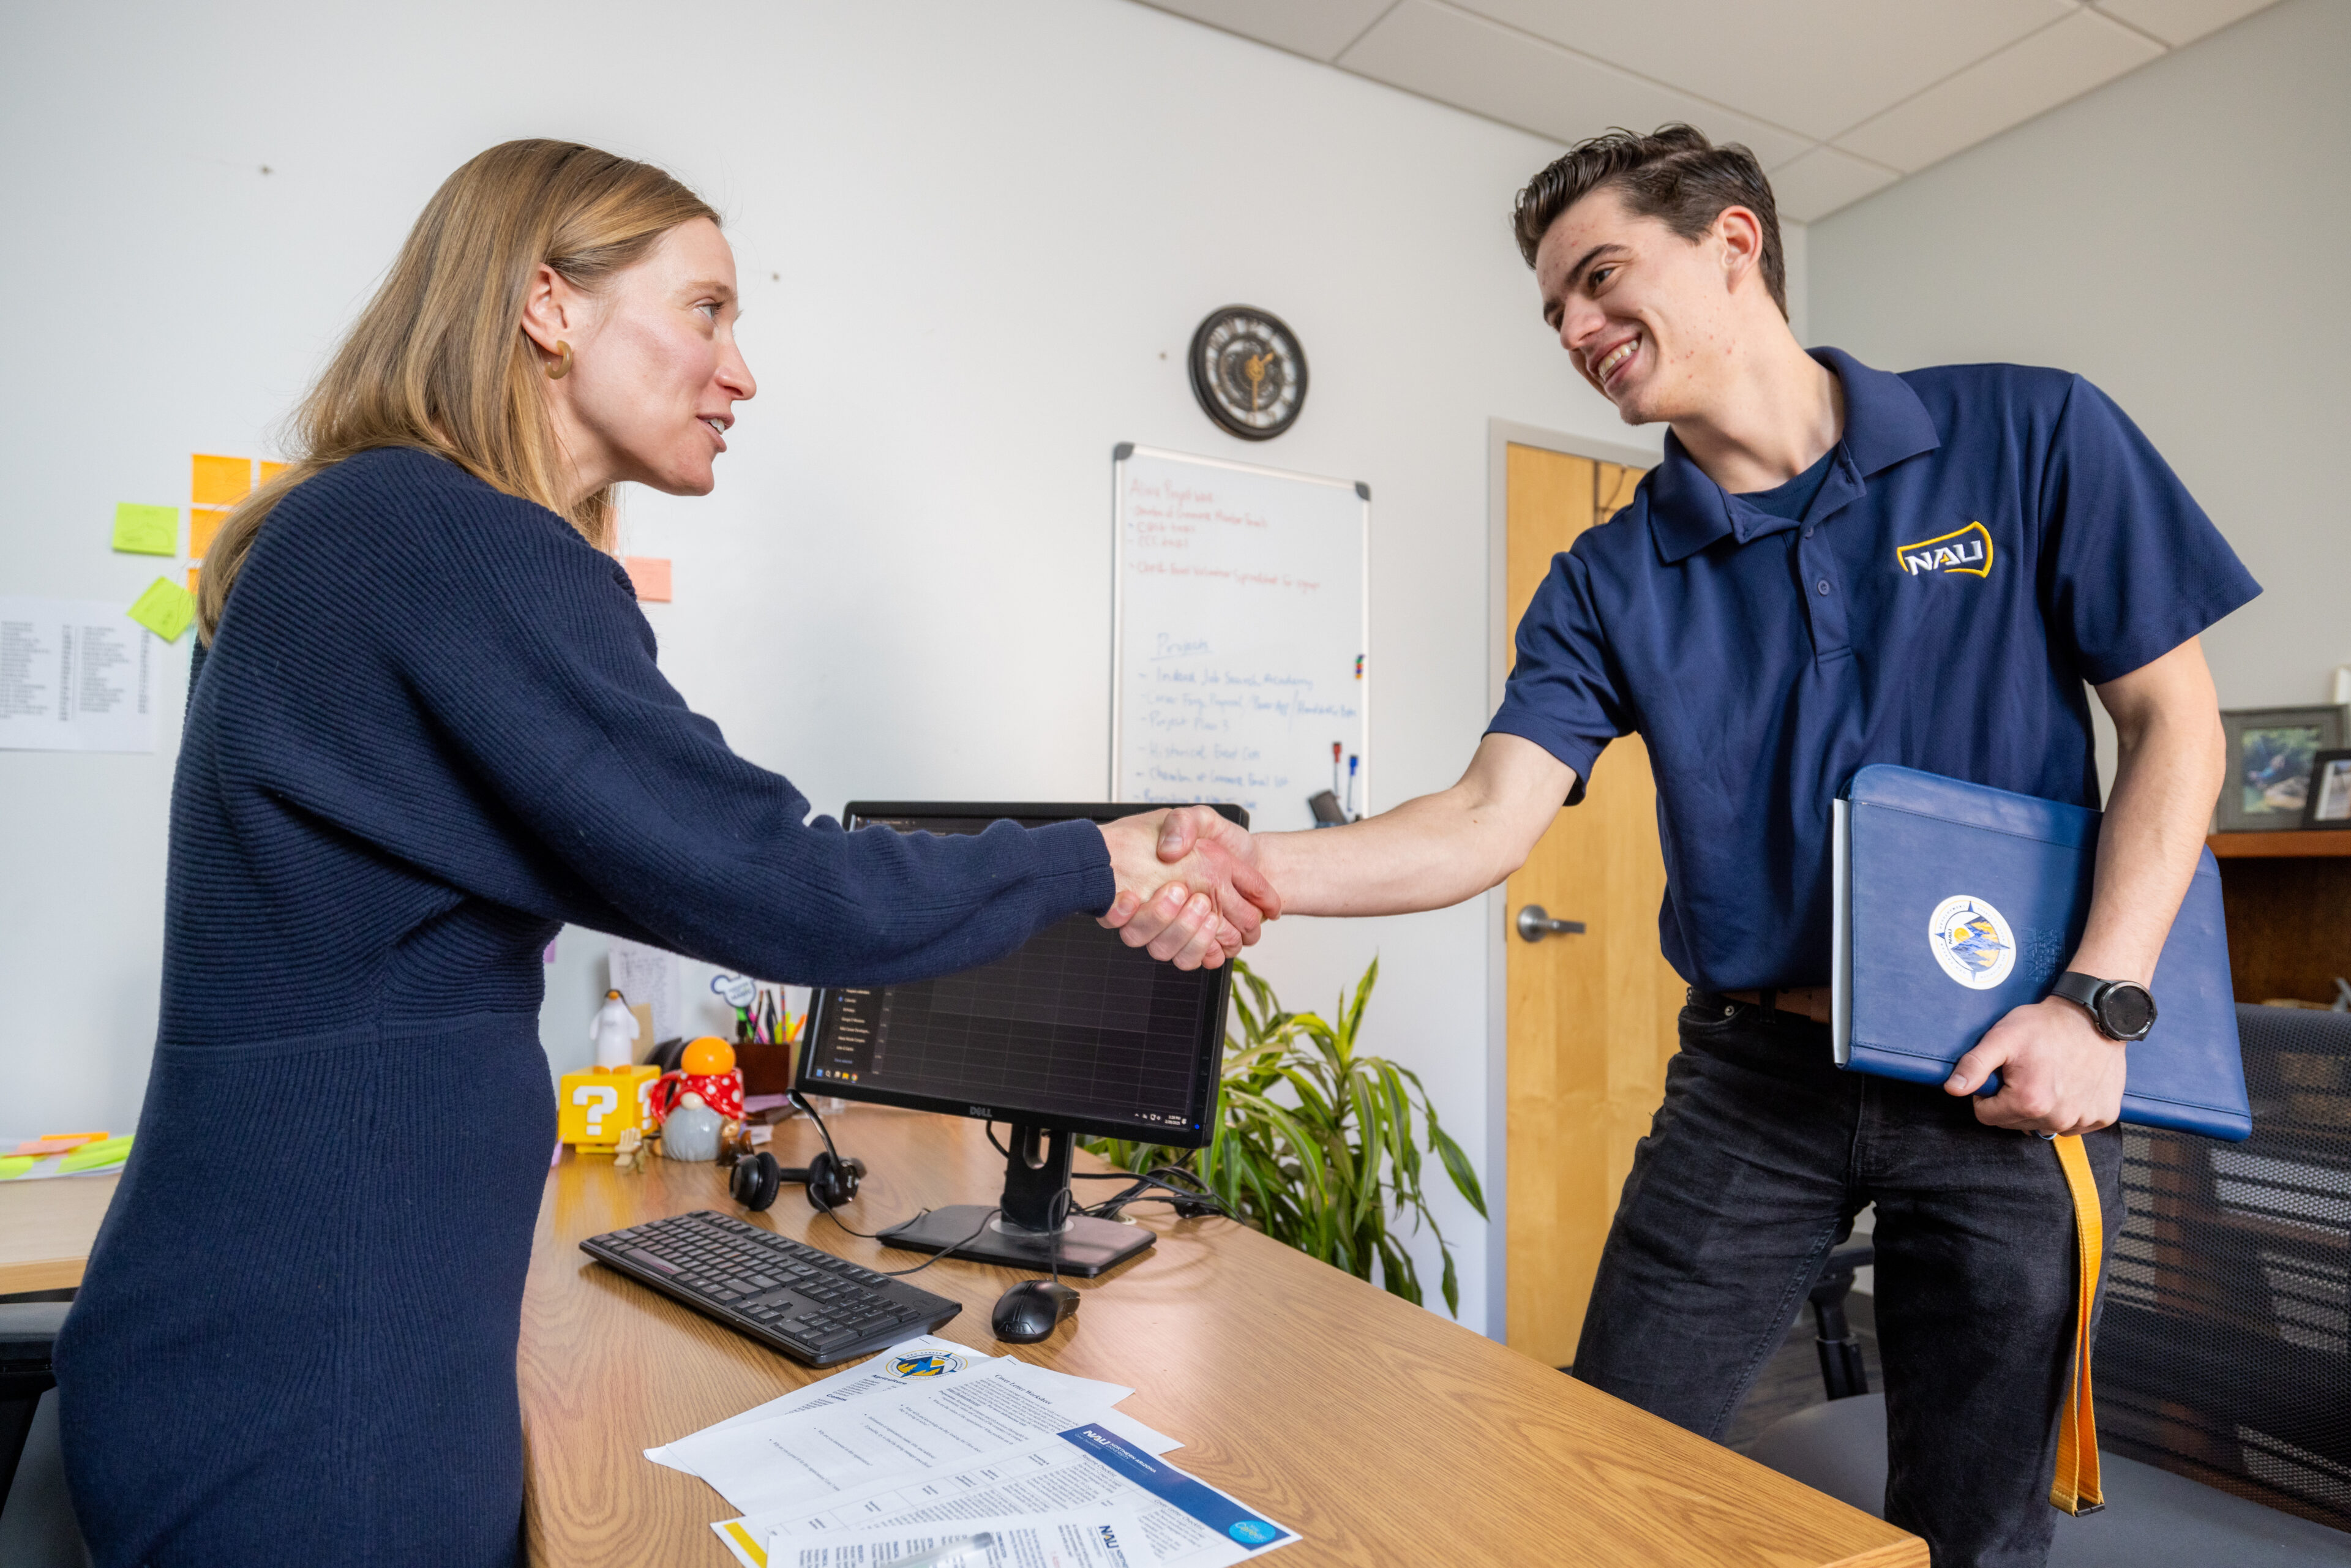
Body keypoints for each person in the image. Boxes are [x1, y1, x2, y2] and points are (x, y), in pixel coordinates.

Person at [54, 140, 1273, 1567]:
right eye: (706, 310)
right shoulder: (442, 538)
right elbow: (784, 884)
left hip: (268, 1334)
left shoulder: (360, 529)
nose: (741, 370)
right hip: (315, 1382)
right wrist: (1101, 859)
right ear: (549, 306)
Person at [1157, 125, 2253, 1566]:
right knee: (1598, 1466)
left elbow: (2174, 726)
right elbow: (1488, 817)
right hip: (1759, 1081)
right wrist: (1255, 868)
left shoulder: (2028, 431)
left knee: (1976, 1530)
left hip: (2007, 1068)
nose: (1577, 331)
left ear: (1735, 242)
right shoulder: (1614, 573)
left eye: (1602, 280)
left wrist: (2104, 1001)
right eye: (1554, 311)